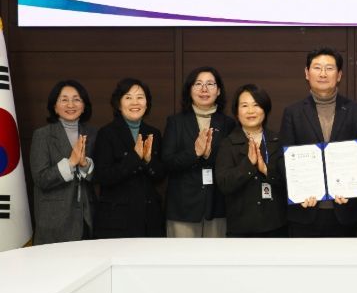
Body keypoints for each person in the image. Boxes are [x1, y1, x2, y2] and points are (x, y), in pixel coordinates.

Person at [279, 47, 357, 237]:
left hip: (345, 208)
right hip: (305, 208)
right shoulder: (293, 112)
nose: (323, 74)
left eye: (329, 68)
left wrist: (350, 187)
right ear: (307, 73)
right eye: (317, 68)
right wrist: (300, 190)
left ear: (339, 75)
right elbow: (283, 159)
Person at [162, 67, 236, 237]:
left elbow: (231, 164)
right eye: (198, 84)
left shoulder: (228, 124)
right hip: (183, 208)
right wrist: (195, 153)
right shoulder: (176, 122)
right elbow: (167, 162)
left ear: (218, 91)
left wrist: (209, 155)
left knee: (215, 254)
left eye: (210, 84)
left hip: (217, 206)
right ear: (190, 90)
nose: (204, 89)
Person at [93, 78, 165, 238]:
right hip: (117, 220)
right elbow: (102, 176)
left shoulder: (153, 133)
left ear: (147, 103)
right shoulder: (107, 133)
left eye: (140, 97)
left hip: (149, 218)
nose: (135, 102)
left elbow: (160, 176)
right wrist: (134, 158)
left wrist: (148, 161)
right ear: (119, 104)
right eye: (128, 97)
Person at [30, 80, 97, 244]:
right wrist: (70, 163)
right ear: (55, 106)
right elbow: (41, 179)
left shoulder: (93, 134)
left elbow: (101, 174)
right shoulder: (42, 135)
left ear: (84, 106)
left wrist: (85, 166)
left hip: (87, 218)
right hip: (54, 220)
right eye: (64, 99)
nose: (71, 105)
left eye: (76, 99)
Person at [216, 84, 287, 237]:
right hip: (241, 227)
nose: (250, 111)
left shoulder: (278, 141)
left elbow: (288, 182)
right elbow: (224, 185)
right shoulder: (227, 144)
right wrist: (248, 165)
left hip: (275, 224)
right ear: (237, 112)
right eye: (244, 105)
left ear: (265, 109)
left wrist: (266, 170)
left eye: (256, 105)